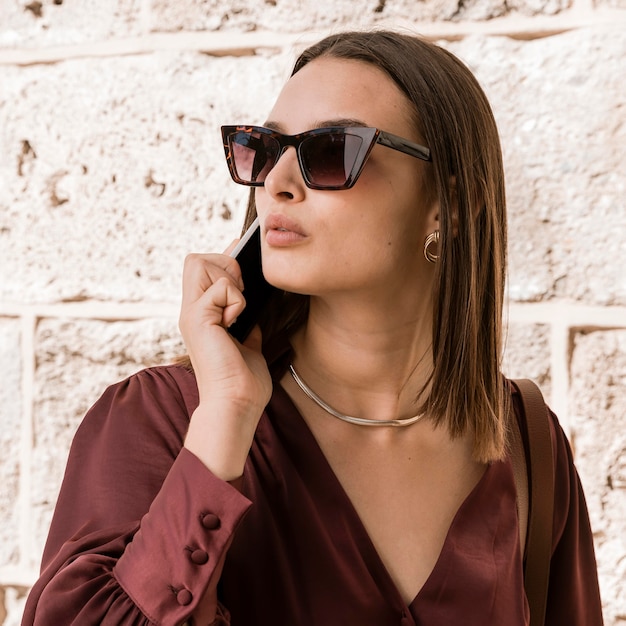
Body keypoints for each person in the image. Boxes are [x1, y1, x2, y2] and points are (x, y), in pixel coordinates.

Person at [22, 30, 603, 626]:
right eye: (265, 149)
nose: (276, 182)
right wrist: (224, 422)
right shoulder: (162, 421)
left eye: (330, 151)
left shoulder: (527, 445)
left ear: (448, 205)